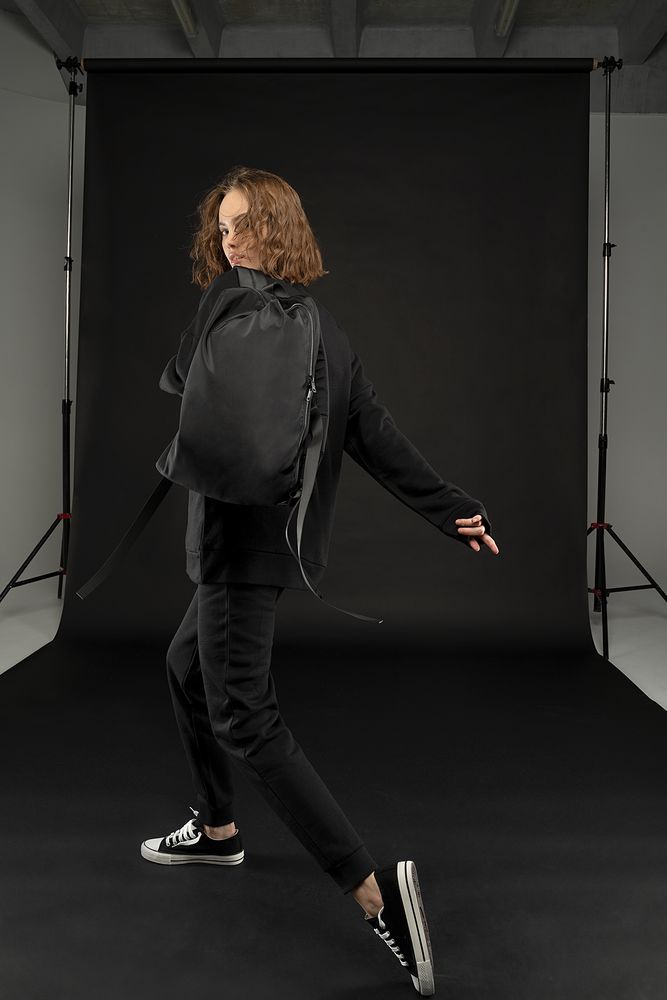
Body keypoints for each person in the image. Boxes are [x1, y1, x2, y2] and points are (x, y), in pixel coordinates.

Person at [140, 166, 499, 996]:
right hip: (253, 545)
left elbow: (356, 427)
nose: (230, 240)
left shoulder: (254, 314)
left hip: (240, 546)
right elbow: (371, 431)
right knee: (184, 667)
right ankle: (219, 830)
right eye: (222, 227)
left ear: (278, 228)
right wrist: (450, 509)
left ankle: (377, 898)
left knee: (245, 717)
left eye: (244, 225)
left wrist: (446, 506)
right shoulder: (318, 328)